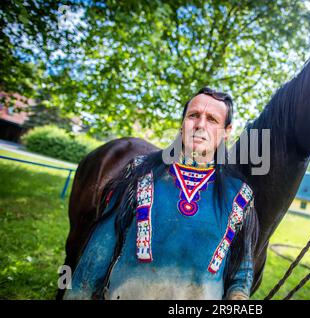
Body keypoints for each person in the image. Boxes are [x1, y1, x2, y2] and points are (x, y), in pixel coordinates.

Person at [63, 87, 259, 300]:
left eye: (212, 119)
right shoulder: (139, 173)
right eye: (193, 116)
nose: (200, 125)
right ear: (182, 124)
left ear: (226, 131)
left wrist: (238, 296)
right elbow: (98, 252)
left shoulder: (239, 196)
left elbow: (241, 271)